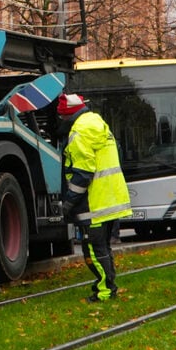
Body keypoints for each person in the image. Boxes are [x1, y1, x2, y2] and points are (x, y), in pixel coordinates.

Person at [57, 92, 131, 302]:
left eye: (62, 117)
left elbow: (82, 173)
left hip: (93, 202)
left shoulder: (79, 132)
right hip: (110, 198)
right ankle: (108, 286)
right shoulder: (97, 123)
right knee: (103, 248)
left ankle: (105, 291)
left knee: (93, 250)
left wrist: (68, 203)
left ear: (67, 115)